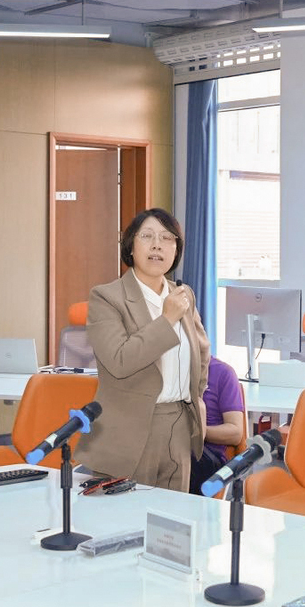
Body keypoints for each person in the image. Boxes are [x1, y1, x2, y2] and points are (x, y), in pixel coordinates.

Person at [74, 209, 210, 492]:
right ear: (131, 246)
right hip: (128, 431)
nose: (157, 245)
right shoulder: (107, 297)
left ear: (176, 250)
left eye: (167, 238)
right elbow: (120, 360)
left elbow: (202, 353)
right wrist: (167, 319)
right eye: (147, 236)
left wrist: (195, 398)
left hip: (179, 424)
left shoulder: (183, 295)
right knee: (125, 517)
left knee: (172, 517)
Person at [189, 356, 246, 495]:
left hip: (206, 455)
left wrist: (197, 432)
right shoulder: (168, 369)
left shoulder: (222, 372)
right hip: (170, 446)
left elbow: (235, 433)